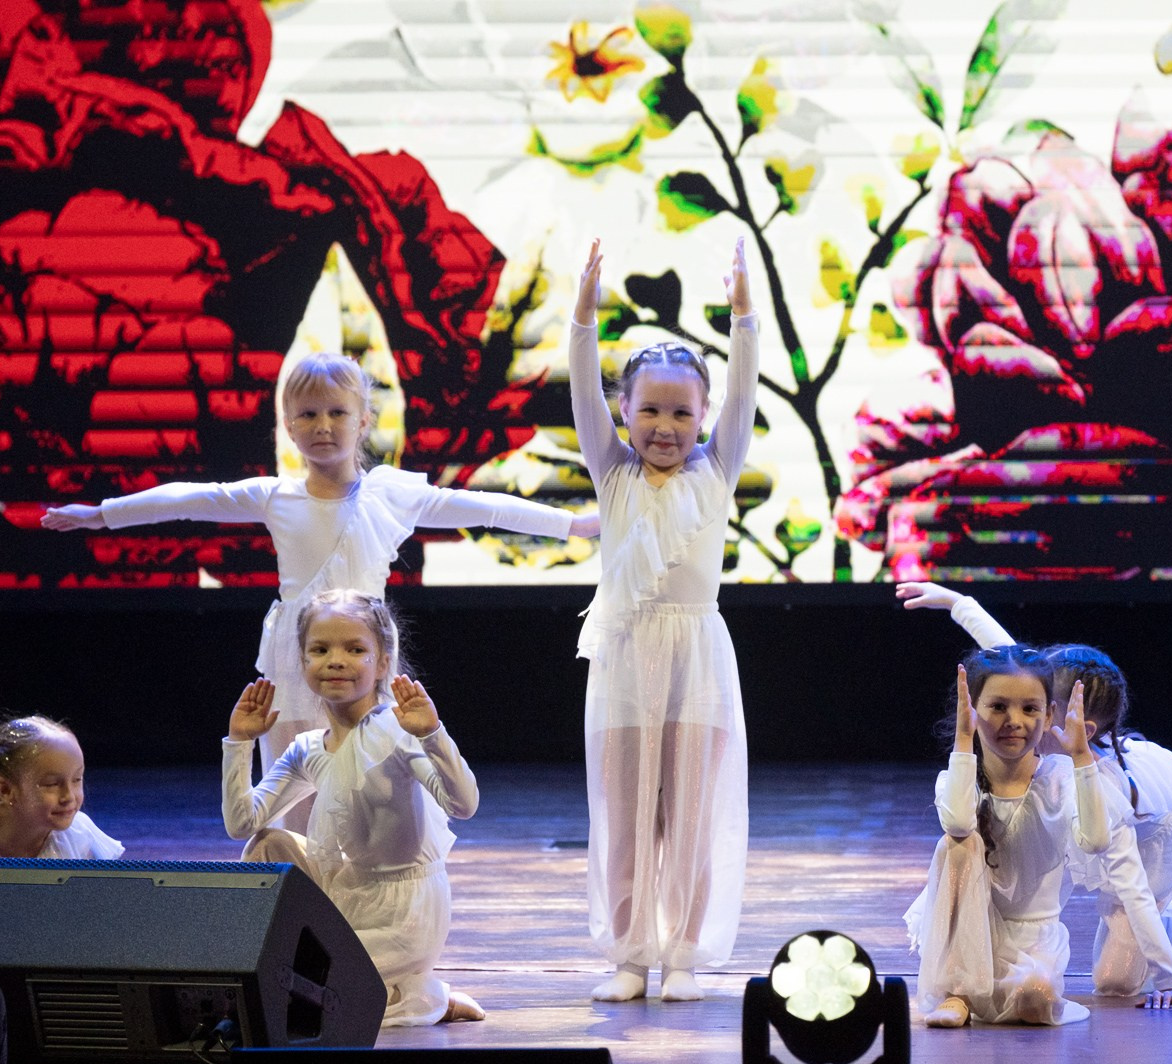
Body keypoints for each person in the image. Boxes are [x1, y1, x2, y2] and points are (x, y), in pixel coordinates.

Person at [42, 352, 598, 783]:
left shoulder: (392, 495)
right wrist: (101, 515)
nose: (323, 425)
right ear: (288, 424)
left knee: (371, 775)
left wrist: (573, 526)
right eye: (308, 414)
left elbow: (486, 506)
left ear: (363, 422)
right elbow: (191, 498)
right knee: (292, 779)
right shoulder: (276, 496)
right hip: (296, 651)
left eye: (337, 413)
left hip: (365, 653)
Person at [569, 237, 757, 1002]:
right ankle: (630, 953)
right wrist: (583, 314)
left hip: (698, 657)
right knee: (625, 817)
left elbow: (745, 386)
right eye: (649, 408)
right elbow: (580, 384)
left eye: (683, 411)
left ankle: (680, 953)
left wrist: (744, 311)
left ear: (705, 414)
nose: (665, 425)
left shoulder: (716, 469)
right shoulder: (612, 472)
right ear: (624, 409)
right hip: (623, 658)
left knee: (689, 818)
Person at [897, 582, 1172, 1008]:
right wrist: (958, 604)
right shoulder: (1045, 728)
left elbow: (1132, 882)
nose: (1021, 711)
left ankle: (1168, 923)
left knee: (1115, 983)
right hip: (1089, 817)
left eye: (1036, 705)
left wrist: (1169, 978)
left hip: (1154, 849)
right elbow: (1010, 660)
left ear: (1065, 719)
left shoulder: (1097, 784)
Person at [221, 589, 483, 1025]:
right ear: (304, 662)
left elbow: (464, 804)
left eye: (355, 649)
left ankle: (428, 997)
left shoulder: (397, 733)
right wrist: (239, 742)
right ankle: (389, 986)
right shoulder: (308, 747)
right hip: (344, 891)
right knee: (268, 843)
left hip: (401, 911)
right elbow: (241, 823)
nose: (335, 660)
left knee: (300, 993)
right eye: (319, 649)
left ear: (382, 663)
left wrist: (433, 734)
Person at [905, 647, 1114, 1027]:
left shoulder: (1058, 779)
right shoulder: (958, 781)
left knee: (1036, 1001)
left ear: (1049, 714)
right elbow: (957, 822)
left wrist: (1083, 759)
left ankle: (991, 992)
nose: (1013, 721)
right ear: (971, 710)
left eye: (1030, 709)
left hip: (1034, 938)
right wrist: (964, 741)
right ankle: (958, 991)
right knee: (958, 844)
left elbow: (1097, 841)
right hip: (972, 933)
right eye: (998, 707)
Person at [0, 717, 121, 865]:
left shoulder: (80, 834)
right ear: (6, 789)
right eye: (51, 784)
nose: (69, 796)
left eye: (77, 779)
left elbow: (114, 895)